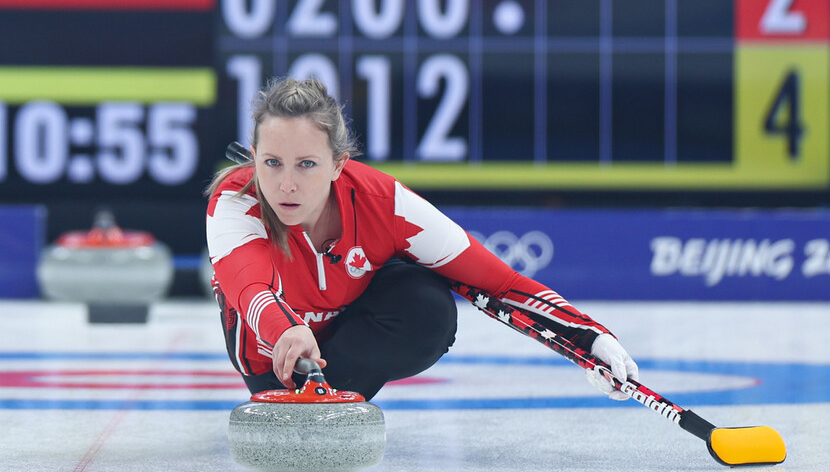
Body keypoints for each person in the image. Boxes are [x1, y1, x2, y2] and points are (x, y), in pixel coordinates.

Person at [206, 77, 638, 402]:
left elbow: (500, 284)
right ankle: (308, 393)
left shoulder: (385, 204)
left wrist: (591, 340)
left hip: (348, 347)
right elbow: (252, 290)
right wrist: (289, 333)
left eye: (306, 164)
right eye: (272, 163)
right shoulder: (236, 202)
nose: (285, 185)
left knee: (428, 308)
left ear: (338, 165)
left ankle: (332, 394)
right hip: (273, 360)